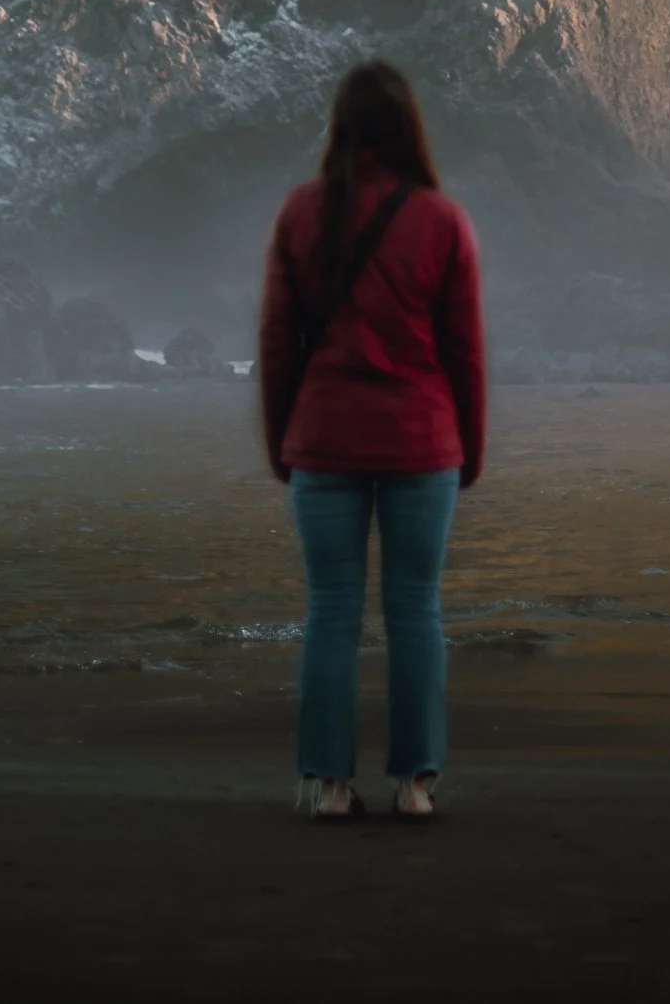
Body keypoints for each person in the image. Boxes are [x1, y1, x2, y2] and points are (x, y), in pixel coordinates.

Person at [257, 58, 486, 821]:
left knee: (331, 609)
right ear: (408, 130)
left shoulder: (299, 213)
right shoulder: (441, 221)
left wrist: (280, 442)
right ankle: (416, 783)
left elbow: (277, 343)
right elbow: (465, 352)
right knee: (416, 606)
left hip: (322, 440)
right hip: (423, 443)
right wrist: (471, 448)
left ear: (340, 128)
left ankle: (326, 783)